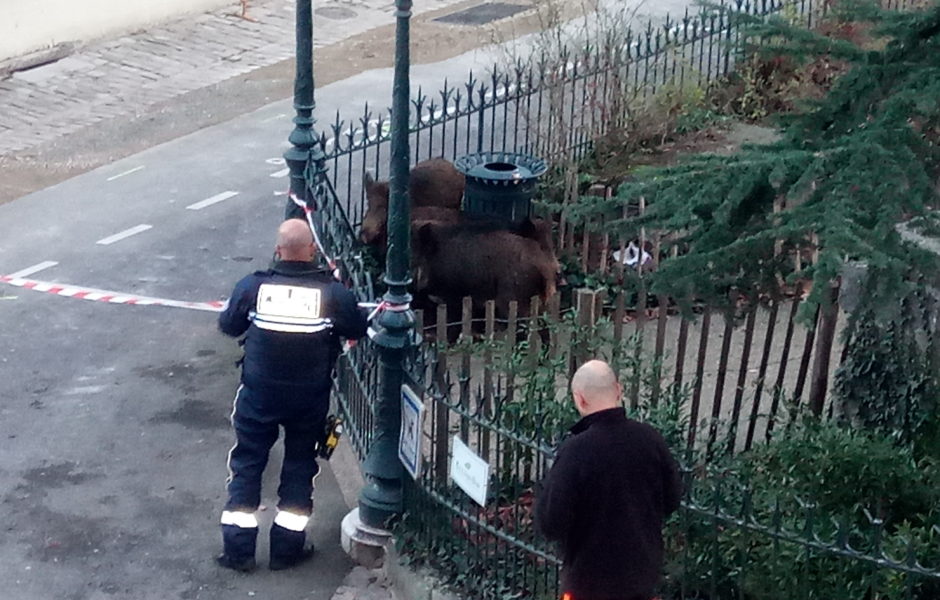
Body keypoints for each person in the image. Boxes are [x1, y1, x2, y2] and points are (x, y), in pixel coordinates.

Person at [215, 218, 368, 572]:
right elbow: (357, 327)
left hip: (258, 395)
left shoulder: (254, 287)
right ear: (313, 251)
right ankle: (286, 550)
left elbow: (229, 326)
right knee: (300, 467)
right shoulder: (332, 294)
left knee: (247, 464)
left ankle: (238, 553)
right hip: (308, 398)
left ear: (278, 250)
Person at [535, 360, 682, 600]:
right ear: (618, 390)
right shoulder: (650, 439)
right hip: (641, 577)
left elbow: (551, 522)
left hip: (588, 582)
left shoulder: (575, 452)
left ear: (580, 399)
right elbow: (672, 499)